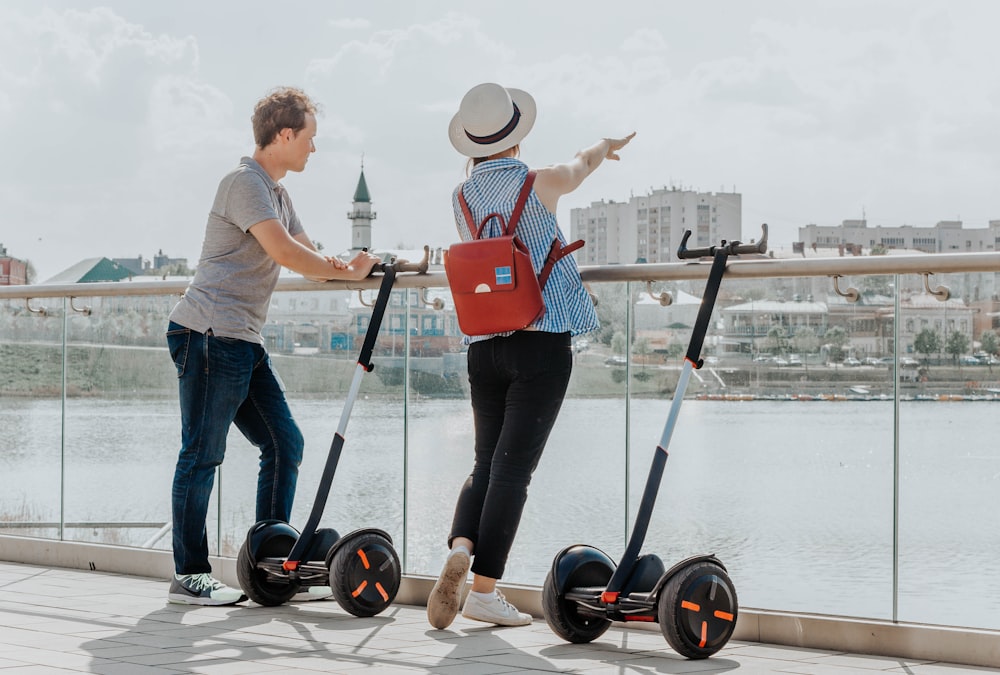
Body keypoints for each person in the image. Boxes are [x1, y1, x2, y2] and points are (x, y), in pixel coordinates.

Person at [427, 82, 634, 628]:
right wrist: (604, 146)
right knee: (513, 471)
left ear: (471, 143)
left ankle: (462, 546)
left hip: (483, 343)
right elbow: (580, 165)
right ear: (517, 136)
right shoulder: (539, 183)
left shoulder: (461, 197)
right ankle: (484, 591)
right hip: (540, 342)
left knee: (484, 462)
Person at [165, 86, 379, 606]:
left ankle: (273, 560)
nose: (313, 148)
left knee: (285, 443)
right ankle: (188, 575)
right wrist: (346, 273)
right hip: (210, 333)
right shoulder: (244, 183)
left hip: (240, 339)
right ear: (284, 135)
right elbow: (284, 251)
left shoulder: (278, 193)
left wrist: (354, 266)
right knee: (203, 453)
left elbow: (310, 253)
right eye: (309, 138)